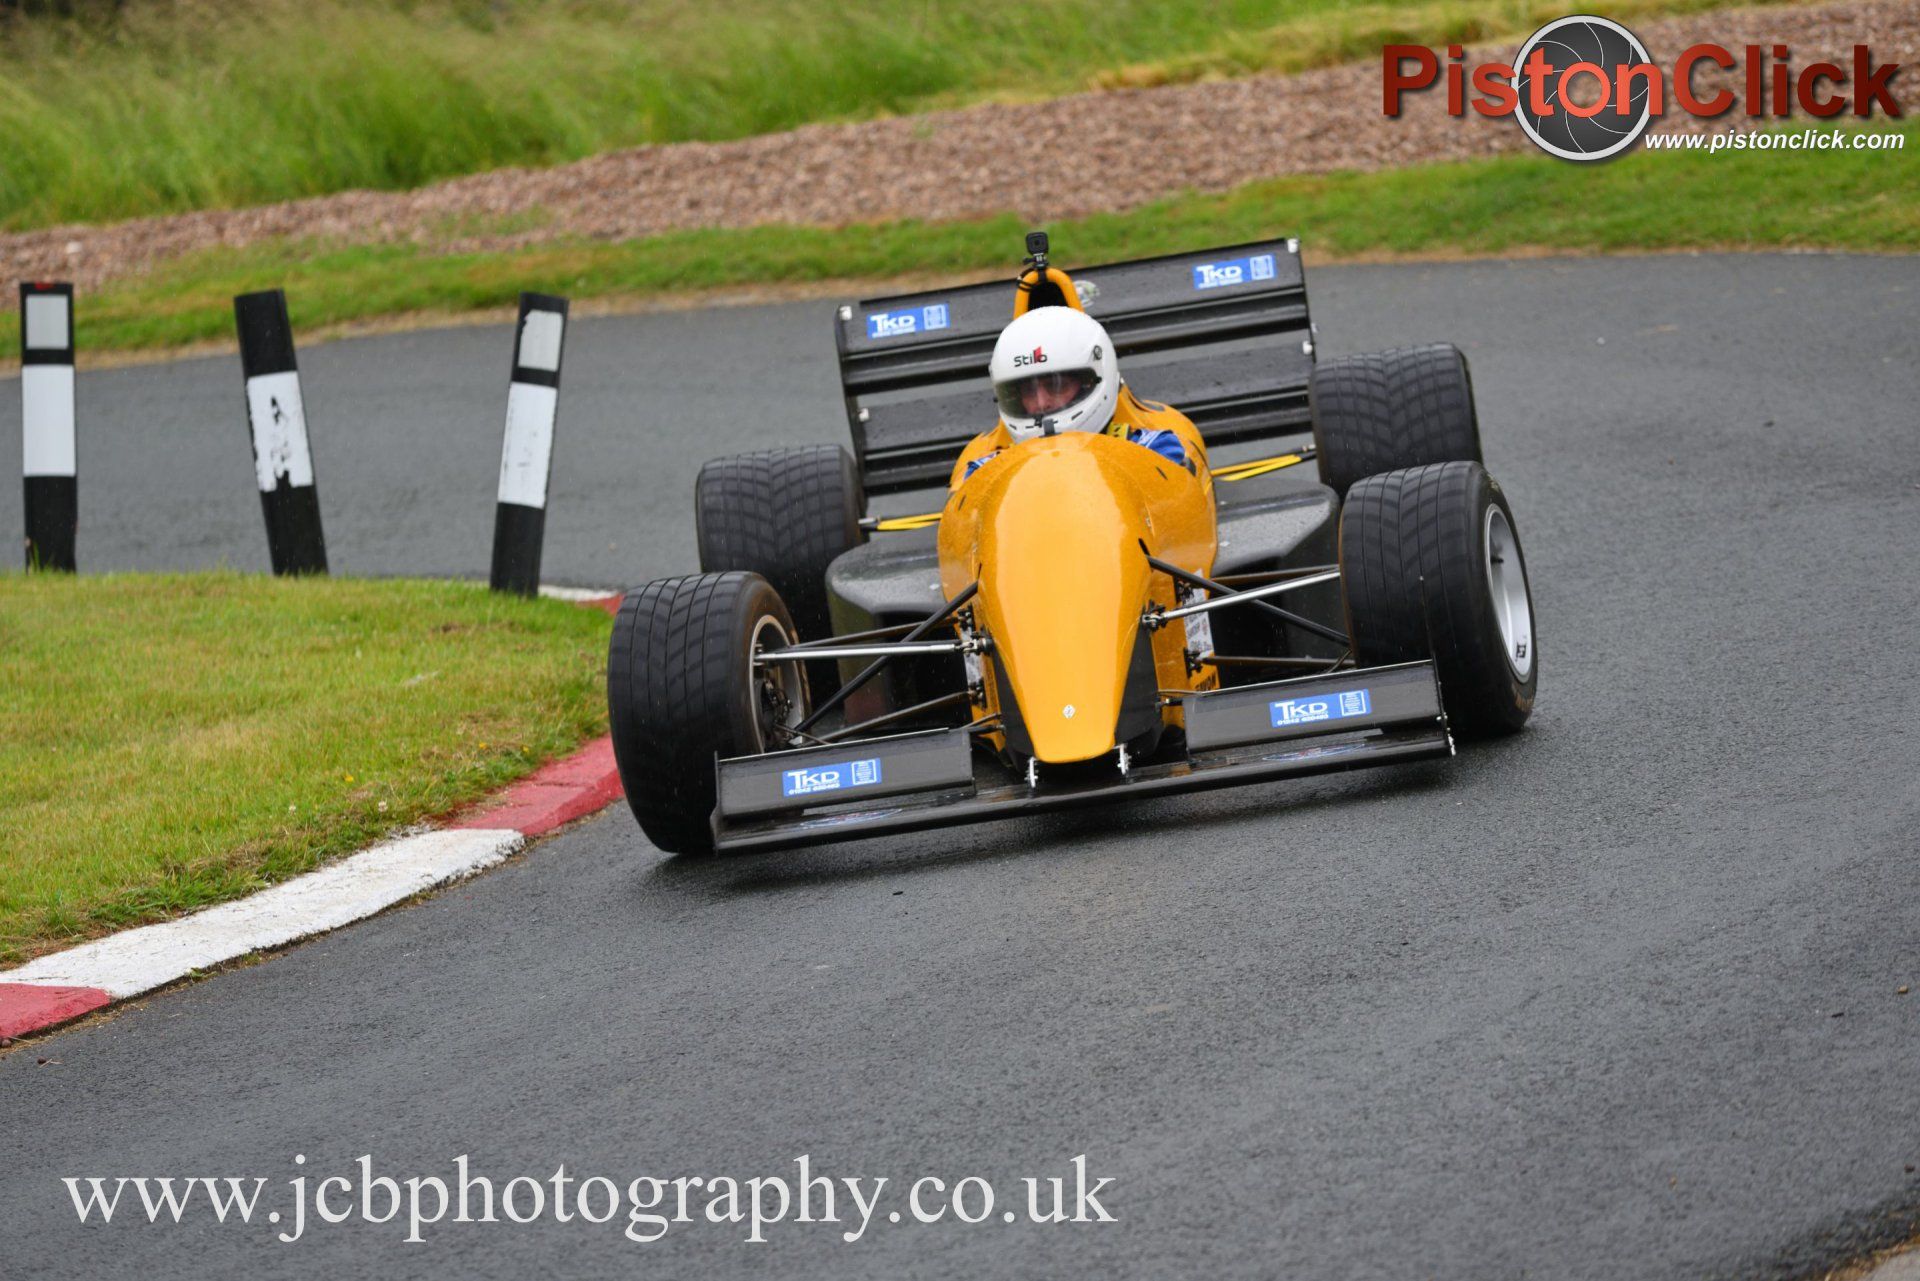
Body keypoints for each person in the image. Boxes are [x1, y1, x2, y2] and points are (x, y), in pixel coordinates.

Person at [954, 306, 1200, 484]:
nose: (1041, 403)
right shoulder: (981, 473)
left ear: (1090, 382)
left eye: (1056, 386)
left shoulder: (1158, 449)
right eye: (1027, 391)